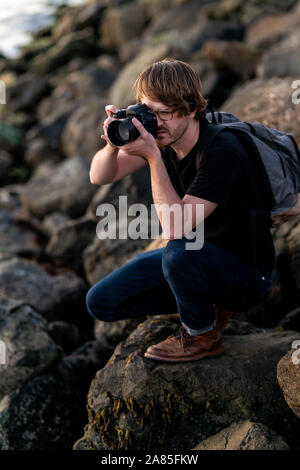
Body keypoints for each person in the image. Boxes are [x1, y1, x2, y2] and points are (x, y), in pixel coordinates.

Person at [86, 58, 274, 363]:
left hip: (246, 275)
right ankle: (203, 302)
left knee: (177, 250)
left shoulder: (221, 150)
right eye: (150, 112)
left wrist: (152, 157)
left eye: (165, 114)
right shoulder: (162, 138)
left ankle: (202, 333)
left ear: (190, 109)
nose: (156, 123)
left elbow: (176, 228)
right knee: (101, 302)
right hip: (197, 260)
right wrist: (113, 142)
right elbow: (99, 176)